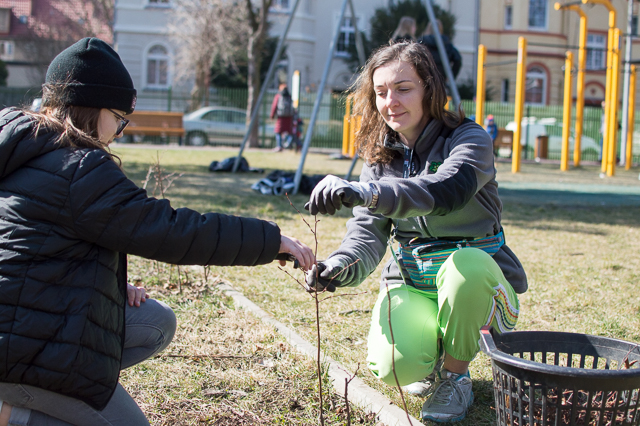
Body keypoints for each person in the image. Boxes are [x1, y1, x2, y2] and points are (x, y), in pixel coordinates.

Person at [0, 37, 315, 426]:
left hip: (20, 319)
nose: (118, 130)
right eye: (119, 117)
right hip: (18, 349)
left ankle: (55, 399)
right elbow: (173, 230)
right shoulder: (78, 169)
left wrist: (105, 285)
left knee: (154, 323)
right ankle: (15, 412)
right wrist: (270, 240)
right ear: (94, 107)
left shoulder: (20, 145)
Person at [304, 41, 527, 423]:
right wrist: (337, 266)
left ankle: (455, 376)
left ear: (429, 87)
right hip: (414, 283)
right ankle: (433, 352)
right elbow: (366, 235)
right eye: (380, 92)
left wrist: (370, 193)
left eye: (403, 88)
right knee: (394, 367)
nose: (391, 101)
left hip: (481, 286)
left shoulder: (469, 140)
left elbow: (445, 190)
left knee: (466, 267)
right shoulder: (378, 160)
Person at [270, 83, 294, 152]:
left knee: (278, 132)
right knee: (290, 132)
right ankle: (288, 144)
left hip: (281, 117)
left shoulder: (278, 96)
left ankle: (279, 146)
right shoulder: (289, 96)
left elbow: (274, 106)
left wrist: (272, 115)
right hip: (289, 117)